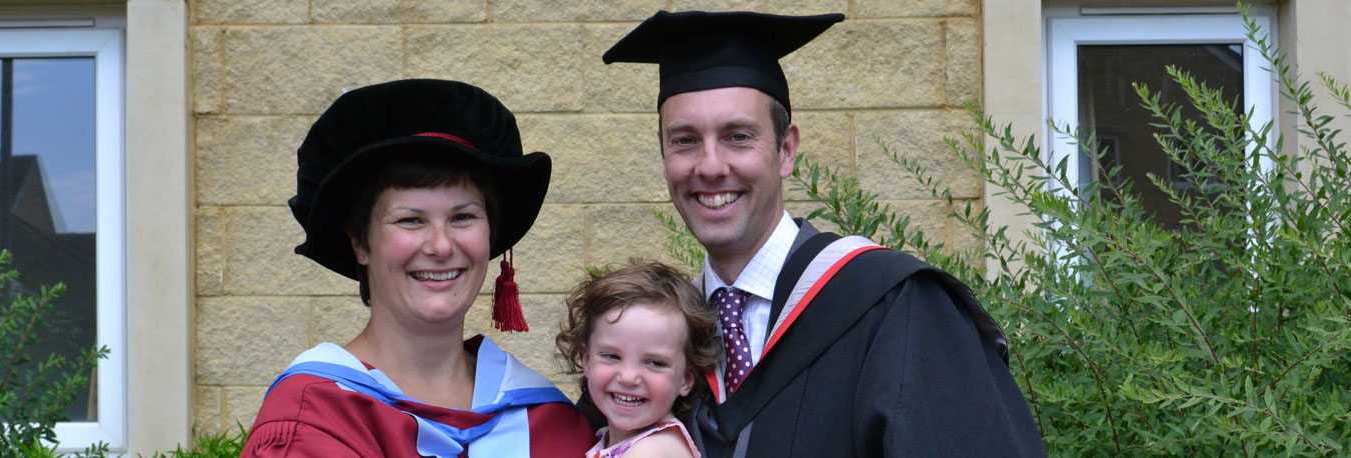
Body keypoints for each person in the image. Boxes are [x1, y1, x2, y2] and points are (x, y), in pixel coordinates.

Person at [602, 11, 1048, 457]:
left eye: (738, 136)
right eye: (684, 140)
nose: (712, 166)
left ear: (787, 150)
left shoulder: (896, 308)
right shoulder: (654, 341)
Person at [240, 79, 595, 457]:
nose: (441, 246)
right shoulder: (313, 419)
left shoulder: (547, 422)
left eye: (463, 217)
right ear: (360, 243)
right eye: (411, 220)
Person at [556, 260, 720, 458]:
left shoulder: (653, 451)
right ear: (587, 359)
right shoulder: (612, 438)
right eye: (612, 356)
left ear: (686, 379)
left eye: (655, 363)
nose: (628, 377)